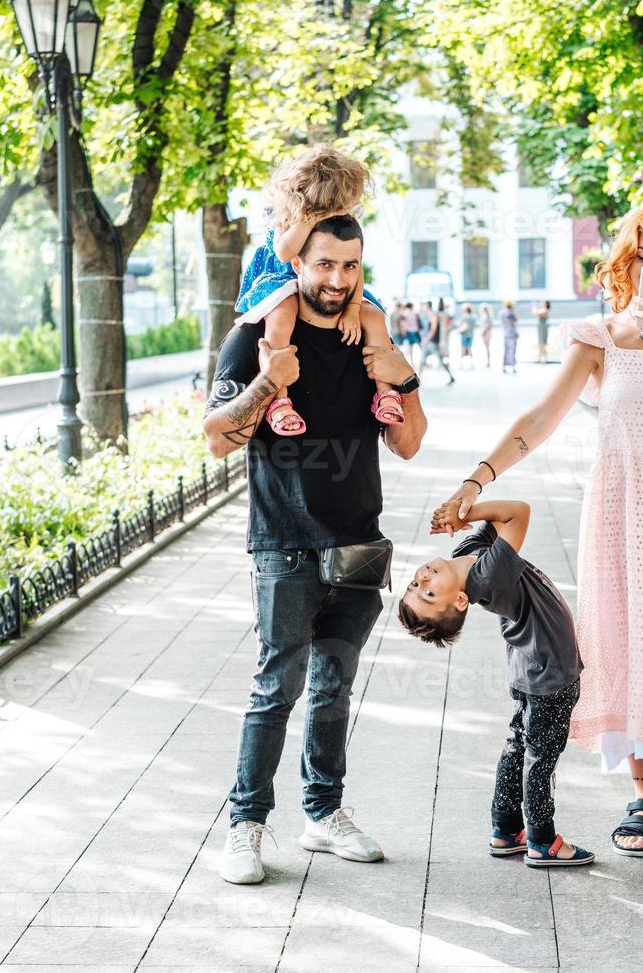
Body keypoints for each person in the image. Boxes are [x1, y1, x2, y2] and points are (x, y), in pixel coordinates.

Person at [432, 200, 643, 867]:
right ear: (624, 258)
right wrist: (477, 480)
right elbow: (540, 417)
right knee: (629, 642)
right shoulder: (598, 336)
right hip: (623, 513)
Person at [205, 213, 429, 885]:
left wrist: (405, 378)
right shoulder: (254, 336)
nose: (337, 280)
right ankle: (244, 827)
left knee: (333, 690)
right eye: (325, 264)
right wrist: (270, 381)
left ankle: (322, 814)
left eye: (351, 266)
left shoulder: (371, 336)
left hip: (358, 540)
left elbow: (410, 442)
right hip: (285, 543)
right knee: (277, 686)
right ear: (297, 260)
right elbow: (217, 437)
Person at [398, 500, 592, 867]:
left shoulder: (467, 555)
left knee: (519, 746)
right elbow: (518, 511)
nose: (422, 579)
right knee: (541, 759)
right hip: (550, 672)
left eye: (415, 583)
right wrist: (465, 513)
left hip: (529, 667)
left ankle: (505, 830)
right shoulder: (486, 575)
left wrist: (461, 509)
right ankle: (542, 840)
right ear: (459, 601)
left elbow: (496, 521)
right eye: (427, 593)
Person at [234, 145, 402, 436]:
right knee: (282, 314)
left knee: (373, 316)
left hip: (326, 276)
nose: (338, 211)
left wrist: (352, 309)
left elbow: (356, 265)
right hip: (285, 276)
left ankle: (385, 393)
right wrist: (308, 220)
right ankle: (280, 398)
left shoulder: (343, 218)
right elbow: (286, 253)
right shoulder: (289, 215)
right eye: (332, 206)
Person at [420, 297, 456, 386]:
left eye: (423, 306)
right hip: (430, 342)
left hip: (433, 343)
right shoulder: (429, 315)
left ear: (428, 306)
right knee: (422, 361)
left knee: (440, 361)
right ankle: (417, 380)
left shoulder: (433, 315)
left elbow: (433, 329)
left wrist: (426, 340)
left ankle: (451, 376)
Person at [499, 300, 519, 374]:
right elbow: (515, 321)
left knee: (506, 350)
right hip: (512, 334)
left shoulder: (502, 313)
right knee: (512, 350)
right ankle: (513, 366)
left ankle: (504, 366)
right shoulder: (510, 313)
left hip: (506, 333)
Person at [535, 300, 552, 364]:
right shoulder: (543, 309)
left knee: (542, 343)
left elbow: (536, 312)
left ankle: (544, 358)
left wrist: (534, 307)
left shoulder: (544, 309)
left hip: (542, 327)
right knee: (540, 343)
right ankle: (540, 358)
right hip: (541, 326)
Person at [479, 304, 495, 369]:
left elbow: (487, 325)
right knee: (487, 348)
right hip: (487, 332)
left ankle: (488, 362)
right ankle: (488, 362)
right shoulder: (488, 316)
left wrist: (483, 332)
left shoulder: (486, 316)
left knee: (487, 348)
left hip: (486, 333)